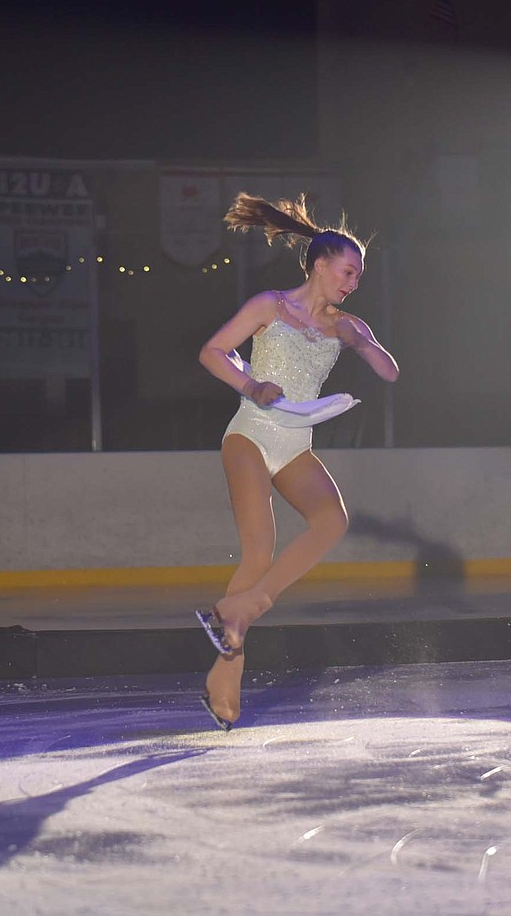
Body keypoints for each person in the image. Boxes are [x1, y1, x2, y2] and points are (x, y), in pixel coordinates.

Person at [195, 192, 399, 730]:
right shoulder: (270, 306)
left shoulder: (343, 324)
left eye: (359, 276)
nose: (353, 282)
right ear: (319, 264)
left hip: (295, 445)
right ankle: (230, 664)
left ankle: (240, 613)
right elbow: (212, 351)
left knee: (333, 520)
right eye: (348, 271)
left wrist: (363, 341)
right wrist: (250, 382)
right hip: (249, 434)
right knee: (259, 547)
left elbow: (389, 373)